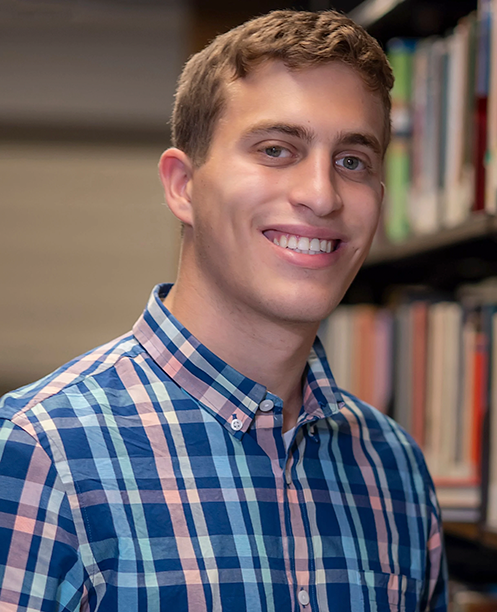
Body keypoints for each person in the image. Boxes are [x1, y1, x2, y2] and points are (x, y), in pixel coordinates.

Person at [0, 10, 447, 611]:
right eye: (276, 149)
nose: (321, 194)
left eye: (352, 161)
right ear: (183, 186)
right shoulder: (40, 453)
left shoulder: (395, 472)